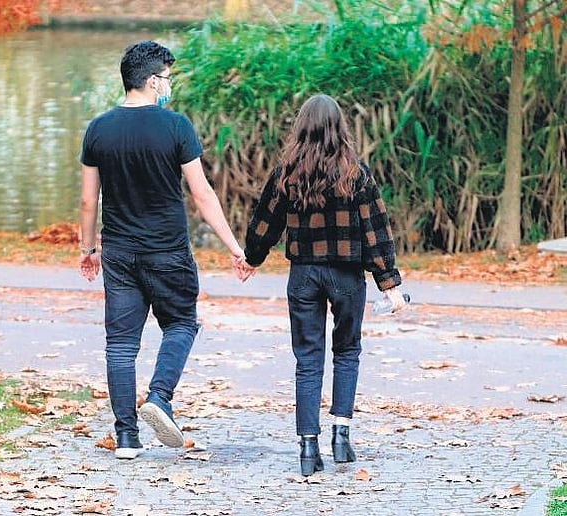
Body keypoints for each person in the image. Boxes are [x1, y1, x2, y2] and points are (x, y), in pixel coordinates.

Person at [79, 40, 245, 459]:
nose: (170, 84)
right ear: (152, 81)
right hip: (167, 251)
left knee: (120, 345)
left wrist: (88, 247)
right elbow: (202, 194)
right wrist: (233, 246)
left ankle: (126, 437)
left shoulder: (98, 129)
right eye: (167, 77)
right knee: (182, 323)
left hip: (119, 252)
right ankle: (159, 397)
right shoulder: (175, 127)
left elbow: (87, 200)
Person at [240, 94, 407, 476]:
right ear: (339, 128)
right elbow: (375, 230)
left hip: (304, 275)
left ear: (301, 127)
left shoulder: (287, 173)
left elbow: (265, 223)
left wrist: (252, 258)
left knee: (308, 359)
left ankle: (307, 447)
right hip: (346, 276)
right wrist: (389, 282)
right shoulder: (356, 174)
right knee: (347, 351)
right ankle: (341, 437)